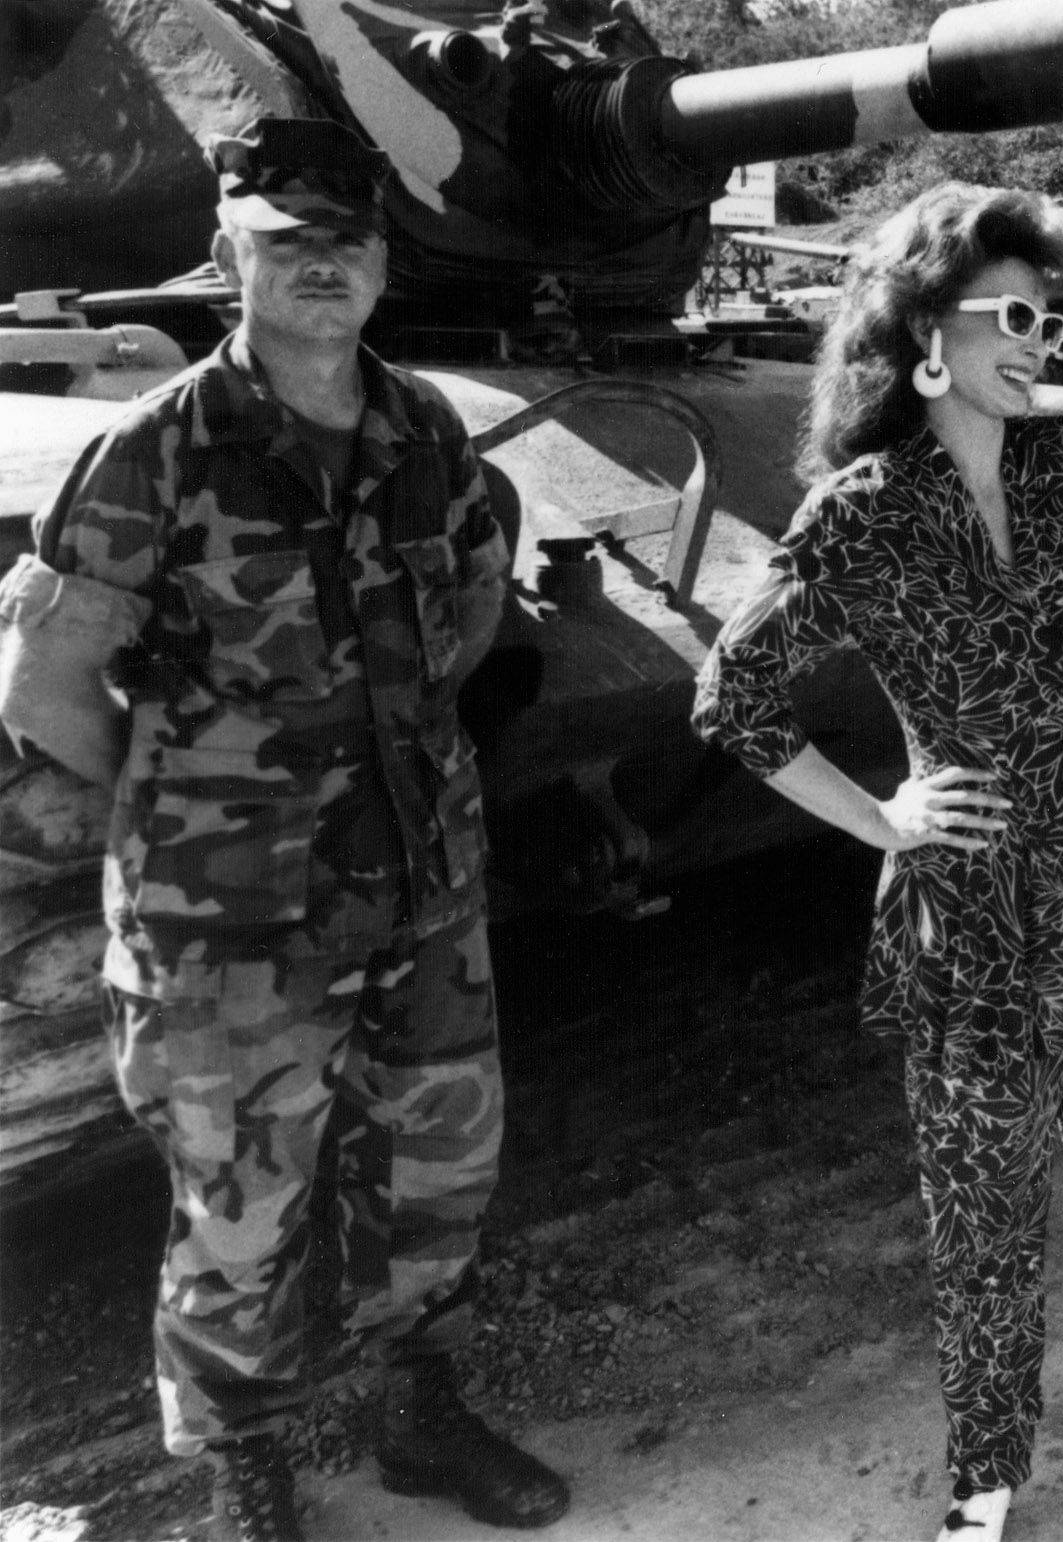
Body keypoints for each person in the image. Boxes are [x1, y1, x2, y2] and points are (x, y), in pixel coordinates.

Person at [0, 120, 562, 1541]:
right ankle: (244, 1453)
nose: (323, 263)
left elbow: (481, 607)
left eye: (348, 239)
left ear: (382, 264)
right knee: (242, 1205)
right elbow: (46, 687)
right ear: (224, 257)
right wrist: (190, 796)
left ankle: (417, 1410)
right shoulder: (153, 452)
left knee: (434, 1173)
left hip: (419, 884)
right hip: (227, 913)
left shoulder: (424, 425)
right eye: (287, 238)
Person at [690, 183, 1063, 1542]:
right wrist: (883, 815)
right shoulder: (860, 512)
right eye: (1012, 315)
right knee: (983, 1222)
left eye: (1047, 317)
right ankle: (986, 1477)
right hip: (971, 908)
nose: (1038, 339)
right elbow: (732, 697)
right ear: (922, 333)